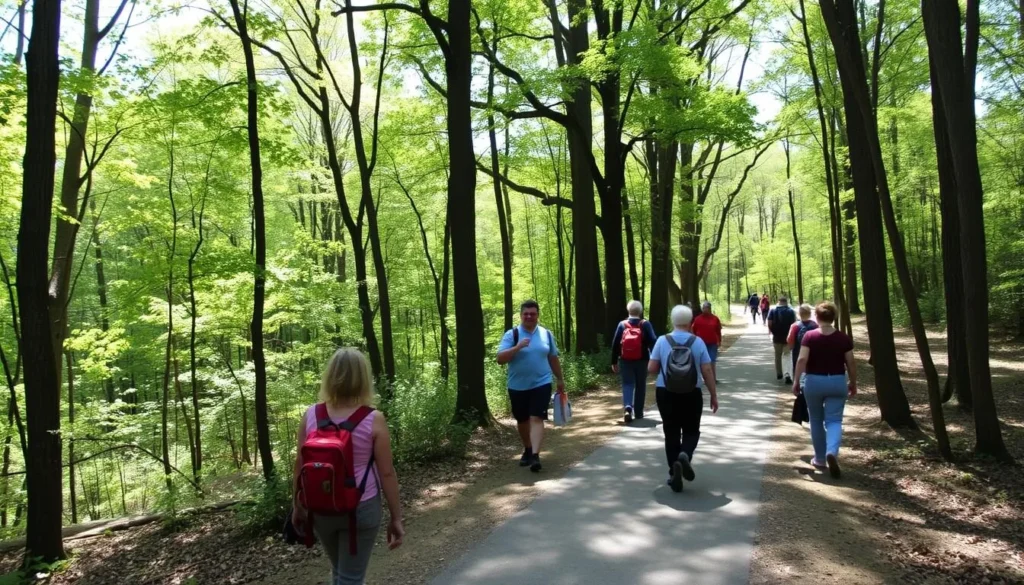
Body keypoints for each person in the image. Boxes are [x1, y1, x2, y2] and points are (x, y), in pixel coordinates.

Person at [293, 348, 404, 584]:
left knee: (340, 572)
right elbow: (386, 472)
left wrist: (297, 506)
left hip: (320, 506)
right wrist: (396, 517)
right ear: (364, 379)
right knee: (350, 577)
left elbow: (299, 465)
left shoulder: (311, 414)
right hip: (361, 507)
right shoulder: (373, 419)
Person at [648, 305, 719, 493]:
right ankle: (684, 455)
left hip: (665, 391)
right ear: (690, 322)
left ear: (672, 321)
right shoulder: (698, 342)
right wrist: (713, 394)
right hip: (692, 393)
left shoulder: (663, 341)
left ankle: (673, 472)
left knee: (670, 432)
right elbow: (707, 370)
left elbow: (652, 368)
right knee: (691, 430)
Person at [497, 300, 566, 472]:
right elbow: (500, 359)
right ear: (521, 315)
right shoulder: (511, 334)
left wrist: (560, 378)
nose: (529, 316)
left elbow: (553, 358)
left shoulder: (546, 334)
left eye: (532, 314)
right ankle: (527, 448)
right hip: (517, 386)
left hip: (541, 383)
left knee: (536, 417)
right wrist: (517, 347)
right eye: (526, 314)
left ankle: (535, 455)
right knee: (522, 420)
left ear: (537, 315)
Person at [792, 302, 857, 479]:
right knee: (834, 420)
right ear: (833, 317)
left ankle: (820, 459)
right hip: (837, 381)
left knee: (816, 420)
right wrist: (853, 382)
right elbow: (850, 362)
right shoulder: (843, 338)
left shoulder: (810, 336)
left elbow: (801, 360)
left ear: (817, 318)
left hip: (814, 382)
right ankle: (832, 452)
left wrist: (796, 380)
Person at [610, 300, 658, 423]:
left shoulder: (622, 324)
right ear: (640, 311)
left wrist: (614, 361)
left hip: (625, 360)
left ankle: (627, 407)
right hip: (642, 360)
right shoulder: (645, 324)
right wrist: (655, 359)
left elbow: (615, 344)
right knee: (641, 385)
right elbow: (653, 341)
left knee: (627, 384)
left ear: (628, 311)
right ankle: (639, 413)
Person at [767, 296, 797, 384]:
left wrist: (772, 333)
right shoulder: (791, 311)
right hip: (788, 337)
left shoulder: (772, 310)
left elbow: (769, 323)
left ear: (778, 301)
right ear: (786, 302)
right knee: (787, 355)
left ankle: (779, 373)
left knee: (777, 356)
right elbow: (794, 324)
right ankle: (787, 374)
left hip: (776, 337)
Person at [691, 301, 723, 383]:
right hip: (700, 343)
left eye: (707, 308)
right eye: (703, 308)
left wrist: (719, 340)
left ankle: (713, 379)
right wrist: (694, 341)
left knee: (712, 361)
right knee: (701, 361)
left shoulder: (715, 319)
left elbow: (718, 330)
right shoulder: (697, 319)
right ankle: (702, 378)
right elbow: (693, 331)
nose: (705, 309)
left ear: (710, 309)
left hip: (712, 343)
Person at [787, 304, 819, 378]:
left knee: (799, 374)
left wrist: (791, 347)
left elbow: (790, 341)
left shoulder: (794, 326)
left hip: (798, 354)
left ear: (798, 314)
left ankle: (799, 385)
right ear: (810, 314)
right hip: (813, 354)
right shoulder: (816, 326)